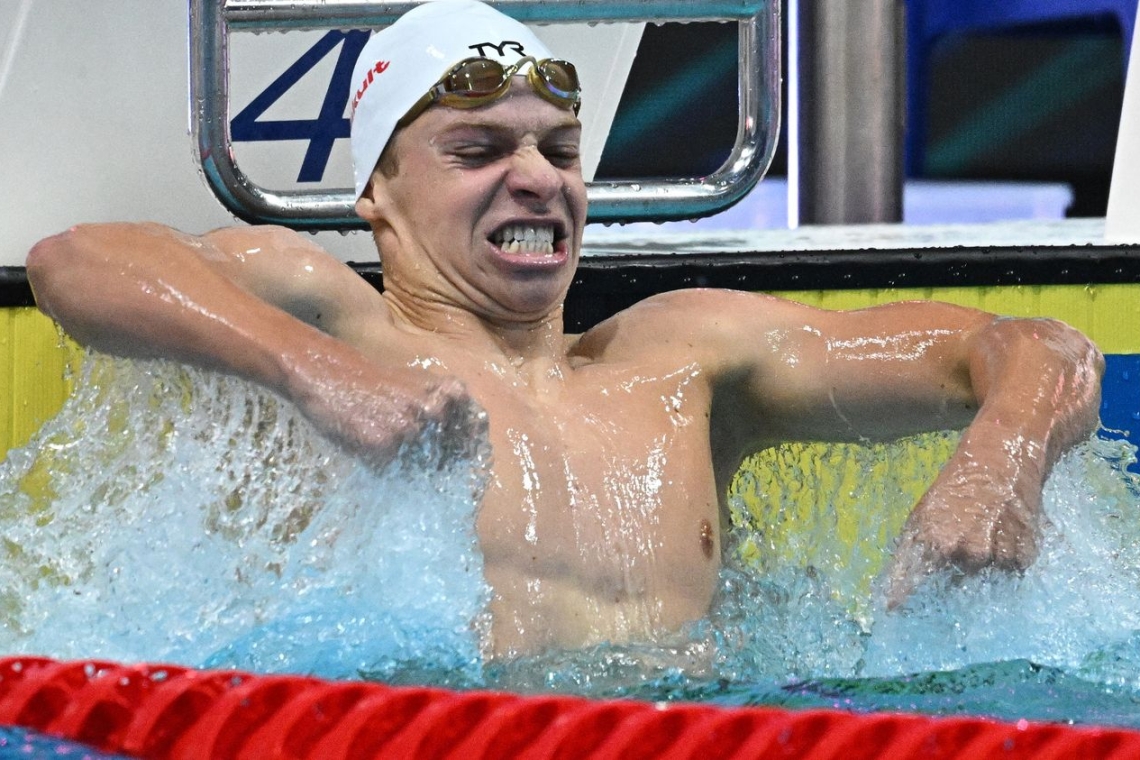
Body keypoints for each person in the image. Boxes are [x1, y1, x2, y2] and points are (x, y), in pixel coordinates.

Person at [26, 0, 1103, 660]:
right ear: (379, 195)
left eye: (561, 148)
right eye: (479, 148)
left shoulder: (684, 358)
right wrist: (316, 376)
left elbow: (1036, 348)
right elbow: (75, 263)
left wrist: (1002, 458)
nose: (538, 177)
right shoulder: (336, 323)